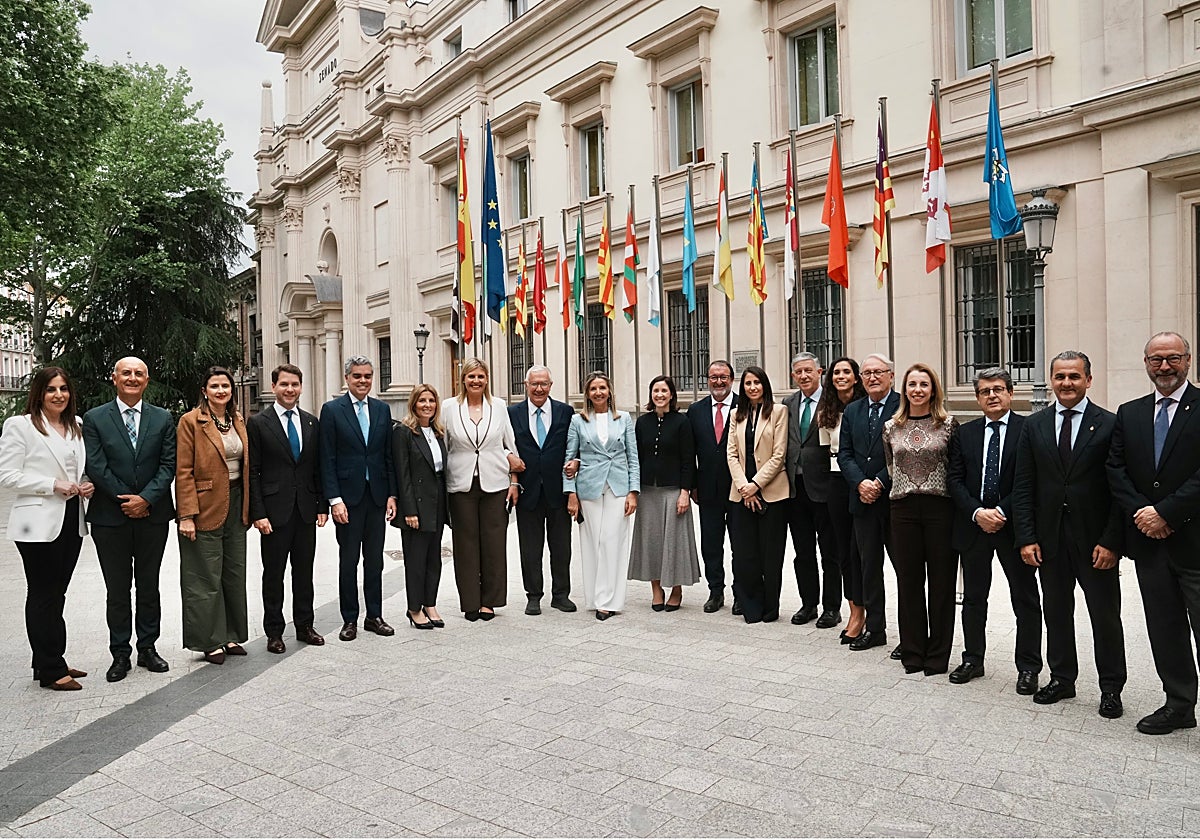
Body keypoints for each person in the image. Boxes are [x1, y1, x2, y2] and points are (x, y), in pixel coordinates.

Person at [1013, 350, 1126, 719]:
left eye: (1074, 377)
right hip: (1050, 540)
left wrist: (1111, 541)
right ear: (1051, 380)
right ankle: (1062, 678)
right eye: (1060, 377)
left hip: (1096, 543)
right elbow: (1024, 485)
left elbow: (1118, 492)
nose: (1066, 383)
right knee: (1056, 611)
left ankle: (1111, 688)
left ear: (1088, 380)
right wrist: (1027, 537)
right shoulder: (1035, 425)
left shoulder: (1109, 425)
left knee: (1105, 617)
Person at [1108, 332, 1200, 735]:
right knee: (1165, 629)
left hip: (1195, 541)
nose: (1165, 366)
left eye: (1173, 358)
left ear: (1188, 360)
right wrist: (1144, 514)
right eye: (1156, 359)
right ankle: (1179, 705)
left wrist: (1167, 512)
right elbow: (1115, 470)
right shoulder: (1129, 413)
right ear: (1145, 362)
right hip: (1150, 545)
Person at [946, 368, 1042, 693]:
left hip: (1014, 528)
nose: (992, 396)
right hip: (974, 527)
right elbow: (954, 479)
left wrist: (1001, 510)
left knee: (1025, 599)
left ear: (1011, 393)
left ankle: (1028, 667)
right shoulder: (965, 433)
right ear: (977, 398)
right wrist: (977, 512)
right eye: (985, 391)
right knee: (974, 598)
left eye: (998, 389)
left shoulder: (1028, 429)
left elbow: (1030, 481)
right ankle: (973, 658)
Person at [83, 356, 175, 682]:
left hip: (153, 516)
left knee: (149, 586)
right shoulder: (94, 419)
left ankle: (148, 648)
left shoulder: (163, 418)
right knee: (117, 589)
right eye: (127, 373)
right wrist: (127, 500)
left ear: (147, 380)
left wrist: (146, 499)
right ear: (115, 378)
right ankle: (120, 653)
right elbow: (96, 465)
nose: (133, 378)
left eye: (139, 373)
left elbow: (168, 465)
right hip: (111, 517)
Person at [0, 368, 93, 690]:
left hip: (71, 517)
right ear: (39, 393)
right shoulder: (20, 426)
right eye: (51, 389)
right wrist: (52, 484)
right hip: (36, 522)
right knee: (42, 593)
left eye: (64, 389)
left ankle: (50, 660)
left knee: (58, 593)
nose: (58, 395)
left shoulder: (76, 426)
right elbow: (7, 475)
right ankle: (52, 670)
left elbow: (77, 470)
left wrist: (84, 485)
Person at [882, 363, 958, 676]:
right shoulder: (891, 427)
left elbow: (954, 466)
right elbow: (890, 466)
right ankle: (913, 651)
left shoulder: (949, 424)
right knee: (909, 583)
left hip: (940, 508)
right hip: (903, 510)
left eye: (924, 384)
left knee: (941, 584)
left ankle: (938, 656)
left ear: (933, 389)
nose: (917, 390)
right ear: (905, 388)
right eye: (912, 384)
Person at [246, 364, 328, 654]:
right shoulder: (258, 423)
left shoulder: (310, 422)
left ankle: (305, 625)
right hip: (274, 513)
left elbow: (316, 467)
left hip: (305, 510)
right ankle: (274, 631)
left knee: (304, 572)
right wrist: (258, 513)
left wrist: (321, 504)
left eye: (294, 384)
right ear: (274, 387)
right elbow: (252, 471)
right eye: (284, 384)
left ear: (301, 387)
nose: (290, 389)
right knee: (274, 574)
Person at [175, 366, 251, 664]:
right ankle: (209, 641)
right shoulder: (190, 422)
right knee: (203, 575)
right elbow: (183, 471)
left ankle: (231, 635)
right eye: (215, 386)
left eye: (226, 386)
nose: (221, 391)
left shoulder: (237, 420)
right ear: (204, 390)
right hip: (204, 505)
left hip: (236, 502)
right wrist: (186, 515)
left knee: (233, 573)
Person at [320, 356, 398, 640]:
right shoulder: (332, 410)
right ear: (347, 379)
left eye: (367, 376)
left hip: (376, 497)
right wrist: (334, 499)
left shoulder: (382, 409)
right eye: (357, 376)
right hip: (348, 500)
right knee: (348, 560)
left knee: (374, 560)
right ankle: (349, 619)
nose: (363, 381)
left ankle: (374, 616)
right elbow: (326, 459)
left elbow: (387, 456)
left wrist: (391, 494)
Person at [442, 358, 519, 621]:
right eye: (471, 376)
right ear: (463, 379)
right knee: (465, 545)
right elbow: (444, 445)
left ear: (487, 379)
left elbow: (510, 443)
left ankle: (490, 601)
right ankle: (470, 602)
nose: (476, 381)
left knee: (494, 543)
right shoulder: (449, 407)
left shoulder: (498, 406)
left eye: (481, 377)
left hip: (495, 482)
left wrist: (514, 481)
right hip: (460, 483)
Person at [837, 353, 900, 652]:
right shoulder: (852, 410)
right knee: (868, 567)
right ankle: (876, 629)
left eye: (879, 372)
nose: (873, 377)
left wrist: (878, 482)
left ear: (891, 375)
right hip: (862, 501)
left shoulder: (904, 404)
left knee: (905, 569)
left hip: (896, 501)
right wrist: (861, 482)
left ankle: (913, 631)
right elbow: (844, 454)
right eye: (867, 373)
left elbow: (903, 454)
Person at [565, 371, 639, 620]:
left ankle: (610, 600)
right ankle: (596, 598)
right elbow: (569, 458)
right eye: (593, 388)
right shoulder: (578, 421)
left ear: (610, 392)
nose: (598, 392)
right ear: (587, 393)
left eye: (602, 388)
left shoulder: (624, 418)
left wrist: (633, 492)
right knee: (593, 543)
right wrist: (571, 494)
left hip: (618, 486)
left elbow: (633, 458)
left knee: (612, 541)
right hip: (589, 487)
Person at [507, 365, 576, 615]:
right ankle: (533, 595)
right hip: (528, 491)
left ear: (551, 385)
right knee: (530, 547)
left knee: (561, 547)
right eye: (534, 384)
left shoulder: (565, 412)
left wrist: (576, 463)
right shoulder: (512, 413)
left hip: (558, 491)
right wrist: (510, 464)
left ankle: (561, 594)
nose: (539, 388)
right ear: (526, 385)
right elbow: (503, 444)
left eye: (543, 384)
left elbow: (574, 445)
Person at [628, 375, 700, 610]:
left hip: (673, 491)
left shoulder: (682, 422)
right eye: (655, 391)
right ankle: (656, 589)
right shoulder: (642, 422)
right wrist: (634, 490)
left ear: (671, 394)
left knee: (675, 542)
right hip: (648, 492)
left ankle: (676, 590)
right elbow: (635, 458)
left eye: (664, 391)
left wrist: (685, 492)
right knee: (652, 542)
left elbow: (689, 460)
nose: (659, 395)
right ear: (651, 395)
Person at [726, 365, 789, 624]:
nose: (752, 387)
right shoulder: (736, 415)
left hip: (772, 493)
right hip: (741, 495)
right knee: (745, 553)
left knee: (771, 554)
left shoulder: (778, 412)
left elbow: (779, 454)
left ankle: (770, 607)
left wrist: (756, 485)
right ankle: (751, 605)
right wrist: (744, 488)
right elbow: (731, 454)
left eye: (757, 383)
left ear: (765, 385)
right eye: (748, 383)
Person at [783, 352, 840, 628]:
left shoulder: (832, 402)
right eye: (798, 372)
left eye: (808, 371)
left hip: (825, 487)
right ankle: (808, 604)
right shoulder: (788, 403)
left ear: (819, 372)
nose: (803, 376)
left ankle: (832, 607)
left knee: (830, 552)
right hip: (795, 488)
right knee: (803, 551)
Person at [816, 357, 867, 643]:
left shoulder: (865, 407)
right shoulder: (828, 409)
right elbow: (828, 452)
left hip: (862, 482)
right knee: (844, 551)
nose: (841, 376)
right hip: (837, 482)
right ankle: (854, 610)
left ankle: (871, 609)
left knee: (863, 550)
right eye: (836, 372)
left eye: (847, 371)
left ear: (856, 377)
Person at [391, 384, 449, 630]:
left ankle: (430, 603)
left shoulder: (438, 432)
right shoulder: (403, 432)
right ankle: (414, 608)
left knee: (433, 557)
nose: (428, 405)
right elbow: (401, 473)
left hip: (437, 501)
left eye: (432, 401)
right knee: (415, 559)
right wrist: (409, 510)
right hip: (416, 503)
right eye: (422, 401)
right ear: (413, 404)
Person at [686, 360, 738, 613]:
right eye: (714, 377)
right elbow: (689, 453)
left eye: (724, 377)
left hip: (739, 489)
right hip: (707, 490)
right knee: (711, 543)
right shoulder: (696, 410)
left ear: (732, 378)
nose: (719, 382)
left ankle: (742, 592)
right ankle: (715, 591)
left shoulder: (745, 405)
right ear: (707, 379)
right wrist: (692, 486)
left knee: (741, 545)